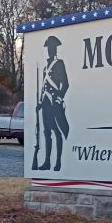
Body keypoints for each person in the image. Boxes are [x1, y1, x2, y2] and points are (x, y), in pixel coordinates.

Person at [37, 35, 70, 171]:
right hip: (45, 102)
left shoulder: (59, 64)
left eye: (52, 48)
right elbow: (43, 86)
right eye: (48, 48)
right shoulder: (45, 68)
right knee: (46, 132)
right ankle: (47, 162)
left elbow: (65, 84)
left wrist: (59, 97)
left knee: (57, 131)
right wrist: (40, 102)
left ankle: (58, 162)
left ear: (55, 49)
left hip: (54, 102)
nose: (50, 50)